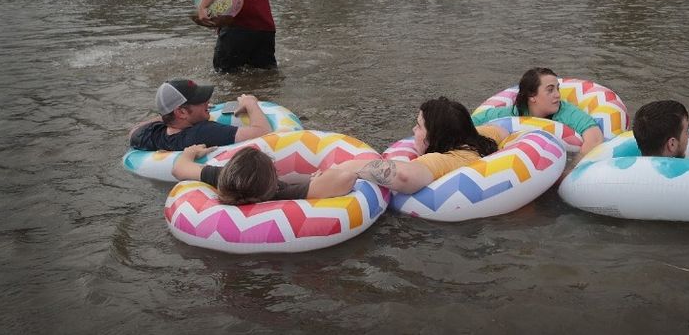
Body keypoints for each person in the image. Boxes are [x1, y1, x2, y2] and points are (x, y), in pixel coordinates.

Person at [338, 97, 509, 194]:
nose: (413, 129)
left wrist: (347, 167)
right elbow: (501, 131)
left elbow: (404, 176)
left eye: (419, 126)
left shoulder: (445, 160)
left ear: (435, 136)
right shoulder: (483, 138)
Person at [471, 67, 605, 163]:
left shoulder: (566, 112)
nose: (557, 94)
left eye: (557, 89)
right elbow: (469, 123)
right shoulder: (511, 114)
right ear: (532, 96)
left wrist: (570, 170)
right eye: (550, 90)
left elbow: (595, 138)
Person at [171, 144, 358, 204]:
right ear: (273, 183)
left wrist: (189, 152)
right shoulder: (281, 193)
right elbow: (345, 177)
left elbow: (179, 169)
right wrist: (318, 179)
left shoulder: (223, 178)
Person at [128, 79, 272, 151]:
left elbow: (134, 131)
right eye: (200, 100)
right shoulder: (203, 132)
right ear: (181, 112)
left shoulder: (153, 135)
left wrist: (168, 115)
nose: (207, 101)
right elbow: (264, 133)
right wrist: (250, 102)